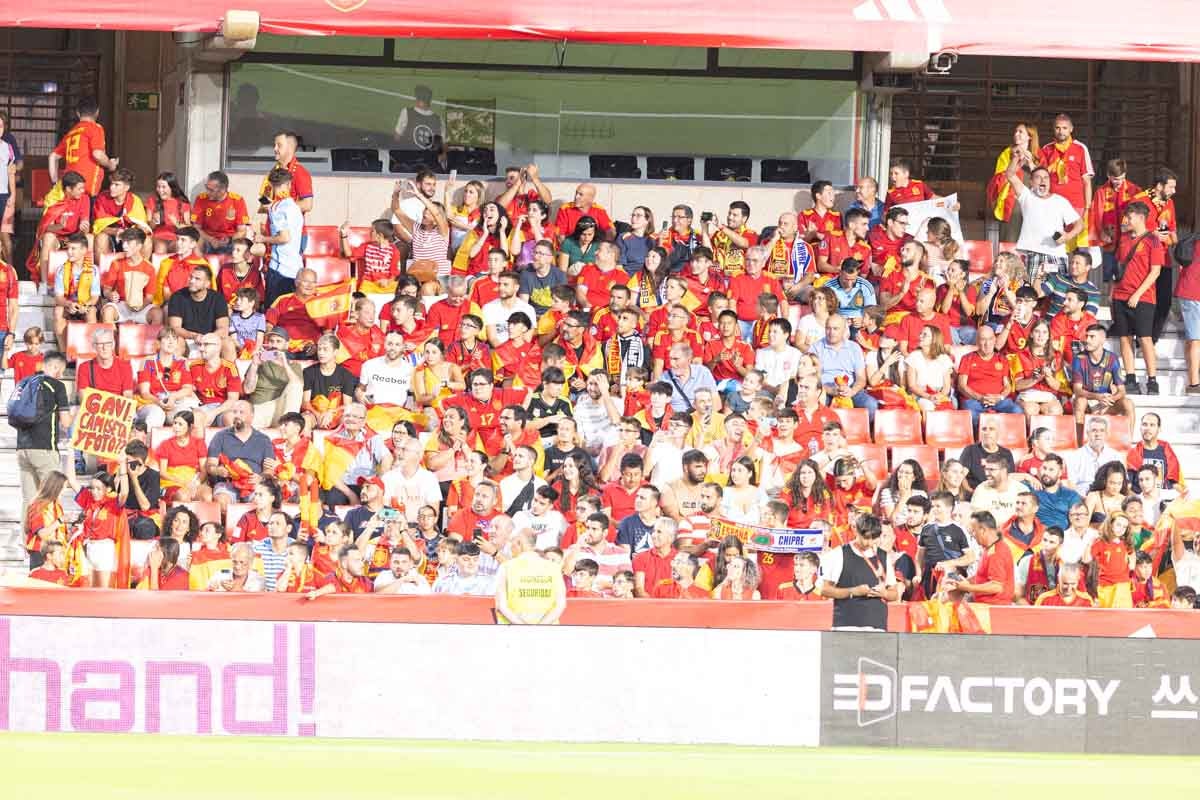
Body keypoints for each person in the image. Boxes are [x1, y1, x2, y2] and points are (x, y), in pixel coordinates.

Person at [1005, 148, 1084, 284]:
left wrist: (1067, 236)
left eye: (1046, 177)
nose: (1043, 180)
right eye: (1038, 177)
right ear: (1031, 182)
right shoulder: (1026, 196)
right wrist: (1016, 158)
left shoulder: (1060, 201)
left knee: (1057, 295)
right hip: (1033, 254)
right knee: (1031, 295)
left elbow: (1080, 224)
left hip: (1057, 255)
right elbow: (1010, 175)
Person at [1110, 201, 1164, 395]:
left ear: (1141, 218)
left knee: (1145, 338)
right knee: (1124, 338)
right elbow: (1118, 268)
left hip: (1143, 298)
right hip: (1120, 295)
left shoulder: (1153, 240)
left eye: (1130, 216)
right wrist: (1112, 294)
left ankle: (1152, 380)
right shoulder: (1123, 239)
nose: (1126, 220)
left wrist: (1137, 294)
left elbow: (1155, 271)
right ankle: (1131, 377)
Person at [820, 514, 897, 630]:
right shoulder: (839, 554)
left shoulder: (884, 556)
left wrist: (884, 594)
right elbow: (825, 590)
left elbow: (894, 593)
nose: (869, 543)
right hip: (846, 625)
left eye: (873, 538)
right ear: (856, 531)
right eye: (865, 538)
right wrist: (853, 591)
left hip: (877, 626)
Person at [1037, 114, 1094, 253]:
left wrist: (1087, 208)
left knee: (1075, 246)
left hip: (1076, 205)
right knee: (1053, 242)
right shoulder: (1046, 149)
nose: (1061, 131)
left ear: (1071, 129)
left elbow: (1087, 181)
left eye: (1064, 128)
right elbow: (1040, 179)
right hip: (1052, 204)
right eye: (1057, 128)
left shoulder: (1080, 148)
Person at [1069, 323, 1134, 440]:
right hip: (1088, 400)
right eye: (1086, 336)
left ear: (1102, 339)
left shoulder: (1112, 358)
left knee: (1128, 403)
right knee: (1080, 402)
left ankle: (1128, 442)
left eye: (1092, 337)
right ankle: (1079, 444)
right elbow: (1077, 390)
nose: (1087, 340)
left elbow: (1122, 390)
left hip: (1105, 403)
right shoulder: (1079, 359)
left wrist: (1110, 399)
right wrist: (1097, 396)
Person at [47, 96, 116, 198]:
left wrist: (55, 182)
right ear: (97, 112)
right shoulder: (95, 128)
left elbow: (52, 157)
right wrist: (110, 165)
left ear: (78, 113)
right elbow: (97, 154)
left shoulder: (71, 132)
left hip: (69, 188)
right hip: (85, 187)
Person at [956, 325, 1022, 429]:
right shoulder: (967, 358)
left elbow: (1007, 386)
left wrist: (999, 397)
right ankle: (978, 442)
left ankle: (1006, 442)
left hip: (998, 400)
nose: (987, 343)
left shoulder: (1002, 359)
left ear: (995, 339)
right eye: (983, 339)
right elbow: (961, 386)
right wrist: (980, 398)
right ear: (977, 341)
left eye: (990, 339)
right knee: (971, 414)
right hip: (975, 401)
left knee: (1017, 411)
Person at [811, 315, 876, 420]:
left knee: (871, 406)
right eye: (828, 328)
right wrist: (829, 390)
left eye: (835, 329)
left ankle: (859, 432)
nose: (831, 332)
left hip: (850, 388)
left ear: (844, 330)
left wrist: (852, 391)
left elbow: (861, 378)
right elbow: (812, 378)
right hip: (825, 390)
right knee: (816, 406)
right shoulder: (816, 348)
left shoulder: (854, 348)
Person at [494, 530, 566, 624]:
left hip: (513, 632)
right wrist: (540, 627)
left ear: (519, 543)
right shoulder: (554, 568)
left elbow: (501, 605)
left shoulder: (506, 567)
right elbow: (560, 605)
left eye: (512, 543)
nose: (510, 547)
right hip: (547, 632)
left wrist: (525, 628)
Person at [257, 167, 305, 307]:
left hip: (280, 269)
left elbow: (284, 237)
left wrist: (263, 239)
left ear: (271, 185)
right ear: (289, 184)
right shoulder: (295, 207)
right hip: (295, 268)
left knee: (273, 312)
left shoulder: (277, 208)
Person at [944, 511, 1013, 605]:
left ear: (983, 530)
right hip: (984, 604)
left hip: (992, 609)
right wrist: (960, 583)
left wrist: (967, 587)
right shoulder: (989, 548)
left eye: (973, 530)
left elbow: (996, 586)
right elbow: (983, 577)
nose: (972, 534)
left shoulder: (996, 552)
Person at [100, 228, 157, 324]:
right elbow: (106, 290)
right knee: (108, 311)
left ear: (139, 246)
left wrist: (139, 306)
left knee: (157, 313)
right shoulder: (116, 264)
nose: (124, 246)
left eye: (128, 243)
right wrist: (111, 295)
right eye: (123, 242)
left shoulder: (149, 268)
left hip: (141, 306)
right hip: (121, 305)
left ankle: (153, 339)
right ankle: (111, 338)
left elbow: (149, 297)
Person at [192, 170, 252, 255]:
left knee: (242, 244)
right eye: (206, 187)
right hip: (206, 239)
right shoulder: (201, 199)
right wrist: (211, 239)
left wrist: (229, 240)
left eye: (211, 190)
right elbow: (196, 228)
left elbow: (242, 231)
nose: (207, 192)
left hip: (229, 241)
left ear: (222, 189)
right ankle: (199, 265)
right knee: (196, 240)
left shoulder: (237, 200)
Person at [1083, 511, 1134, 608]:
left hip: (1122, 585)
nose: (1121, 529)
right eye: (1118, 525)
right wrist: (1089, 543)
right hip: (1105, 586)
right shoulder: (1100, 542)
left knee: (1122, 615)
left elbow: (1132, 561)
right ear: (1110, 524)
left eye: (1124, 527)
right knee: (1107, 617)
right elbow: (1086, 560)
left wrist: (1130, 565)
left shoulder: (1126, 543)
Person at [1065, 417, 1126, 497]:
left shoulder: (1116, 456)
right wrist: (1085, 500)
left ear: (1107, 434)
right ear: (1087, 433)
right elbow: (1071, 485)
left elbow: (1123, 483)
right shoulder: (1075, 456)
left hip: (1109, 499)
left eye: (1102, 431)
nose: (1098, 434)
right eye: (1094, 430)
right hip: (1082, 499)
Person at [1126, 412, 1182, 491]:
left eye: (1152, 425)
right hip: (1140, 499)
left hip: (1164, 498)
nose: (1147, 428)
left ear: (1159, 429)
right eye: (1144, 424)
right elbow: (1128, 486)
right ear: (1140, 428)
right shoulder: (1133, 453)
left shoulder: (1167, 452)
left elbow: (1174, 483)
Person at [970, 453, 1025, 527]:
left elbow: (1026, 518)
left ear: (1003, 471)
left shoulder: (1020, 490)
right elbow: (976, 518)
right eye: (986, 469)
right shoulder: (981, 489)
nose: (986, 473)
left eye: (991, 470)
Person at [1034, 455, 1082, 530]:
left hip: (1063, 536)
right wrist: (1027, 476)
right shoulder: (1033, 490)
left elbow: (1077, 520)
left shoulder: (1071, 495)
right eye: (1044, 468)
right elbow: (1009, 477)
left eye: (1051, 470)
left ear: (1060, 473)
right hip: (1039, 536)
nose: (1046, 472)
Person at [393, 85, 444, 153]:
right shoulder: (439, 119)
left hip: (409, 158)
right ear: (429, 101)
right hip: (429, 159)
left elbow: (397, 137)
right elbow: (441, 145)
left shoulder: (406, 112)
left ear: (417, 98)